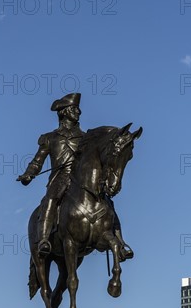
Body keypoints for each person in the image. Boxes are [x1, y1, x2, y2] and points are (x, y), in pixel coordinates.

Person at [17, 93, 133, 260]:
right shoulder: (50, 138)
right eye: (74, 109)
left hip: (81, 177)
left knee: (107, 201)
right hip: (60, 178)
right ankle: (43, 240)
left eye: (78, 109)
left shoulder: (85, 137)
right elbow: (37, 161)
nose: (78, 112)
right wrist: (29, 174)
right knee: (50, 199)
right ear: (64, 112)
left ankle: (120, 242)